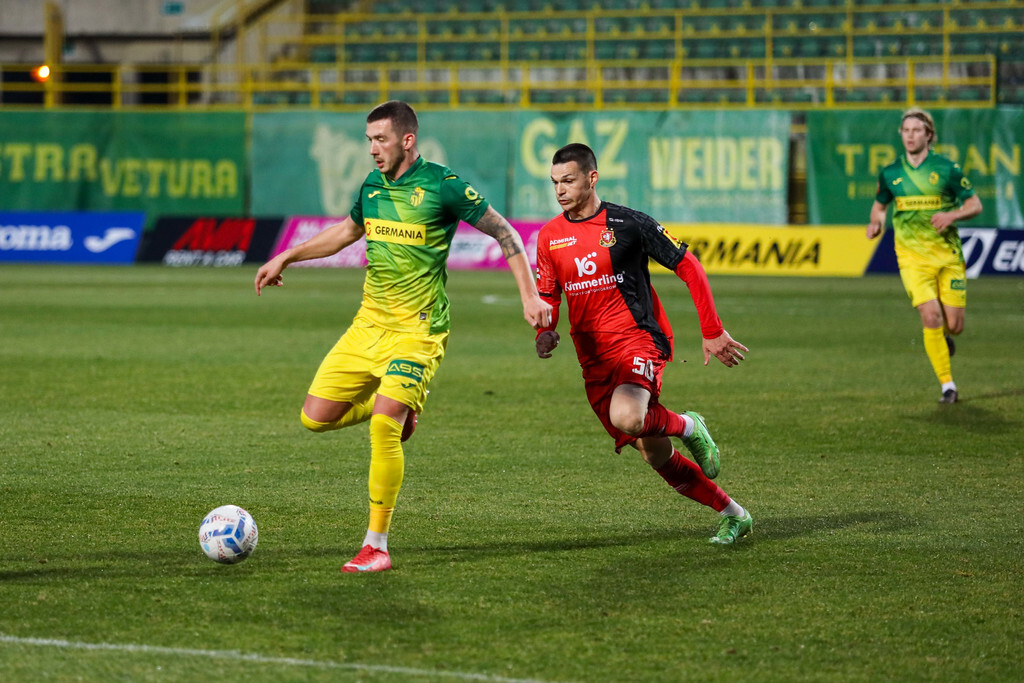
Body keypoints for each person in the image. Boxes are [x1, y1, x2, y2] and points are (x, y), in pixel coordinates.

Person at [255, 100, 551, 572]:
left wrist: (530, 297)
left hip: (419, 330)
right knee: (314, 418)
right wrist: (287, 256)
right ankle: (398, 407)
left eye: (381, 139)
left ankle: (377, 545)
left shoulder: (442, 185)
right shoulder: (372, 186)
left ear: (407, 140)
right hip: (368, 325)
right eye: (369, 139)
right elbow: (346, 232)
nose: (373, 149)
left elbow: (505, 232)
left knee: (382, 428)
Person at [533, 142, 753, 545]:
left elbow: (688, 266)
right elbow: (548, 296)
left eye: (568, 180)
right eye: (554, 183)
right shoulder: (549, 237)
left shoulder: (628, 224)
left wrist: (711, 330)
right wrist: (544, 332)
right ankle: (734, 514)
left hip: (638, 340)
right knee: (655, 454)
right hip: (593, 359)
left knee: (629, 418)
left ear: (591, 178)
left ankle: (688, 424)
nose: (560, 190)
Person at [867, 108, 982, 404]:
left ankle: (944, 338)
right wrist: (876, 222)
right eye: (906, 130)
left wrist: (952, 215)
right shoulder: (891, 173)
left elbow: (975, 204)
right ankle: (948, 386)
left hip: (947, 257)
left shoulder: (947, 169)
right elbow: (880, 206)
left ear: (929, 135)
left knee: (954, 325)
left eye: (916, 130)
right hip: (911, 259)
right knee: (930, 316)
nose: (910, 135)